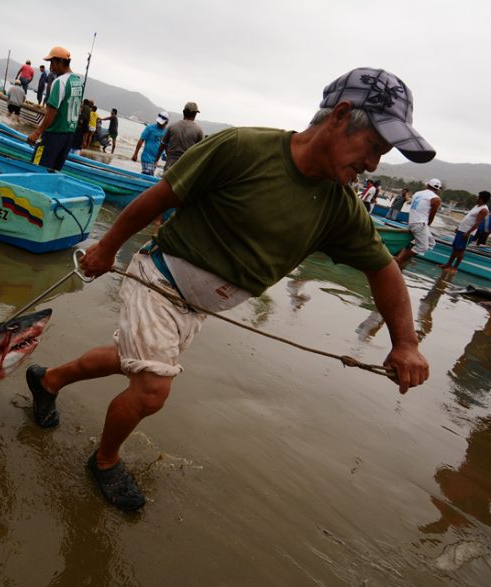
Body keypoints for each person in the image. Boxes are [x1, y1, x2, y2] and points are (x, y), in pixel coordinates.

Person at [25, 67, 435, 511]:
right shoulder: (245, 148)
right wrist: (106, 248)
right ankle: (104, 462)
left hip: (197, 307)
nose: (373, 164)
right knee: (151, 389)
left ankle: (49, 380)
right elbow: (160, 196)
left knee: (131, 358)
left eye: (382, 154)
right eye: (373, 147)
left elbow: (384, 271)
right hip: (159, 277)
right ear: (339, 116)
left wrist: (406, 342)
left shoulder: (340, 208)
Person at [26, 46, 83, 172]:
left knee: (37, 169)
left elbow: (51, 112)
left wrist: (37, 132)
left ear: (61, 62)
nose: (51, 66)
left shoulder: (60, 82)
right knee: (54, 172)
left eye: (52, 62)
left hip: (53, 136)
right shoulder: (78, 82)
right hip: (68, 137)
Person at [394, 178, 443, 268]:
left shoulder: (418, 193)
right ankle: (399, 260)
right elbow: (432, 216)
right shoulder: (436, 199)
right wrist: (427, 225)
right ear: (438, 189)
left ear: (427, 185)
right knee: (422, 247)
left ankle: (408, 250)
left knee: (431, 243)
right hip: (420, 223)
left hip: (412, 222)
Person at [440, 191, 491, 271]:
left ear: (482, 199)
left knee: (460, 250)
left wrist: (468, 232)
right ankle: (448, 264)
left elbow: (478, 222)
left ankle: (455, 268)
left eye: (478, 197)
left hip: (467, 232)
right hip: (462, 229)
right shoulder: (477, 206)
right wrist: (459, 227)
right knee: (455, 248)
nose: (476, 198)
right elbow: (468, 218)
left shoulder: (483, 209)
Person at [157, 101, 204, 171]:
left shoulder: (172, 126)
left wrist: (156, 160)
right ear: (195, 114)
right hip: (185, 171)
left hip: (169, 167)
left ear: (183, 112)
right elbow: (201, 153)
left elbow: (162, 145)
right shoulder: (198, 131)